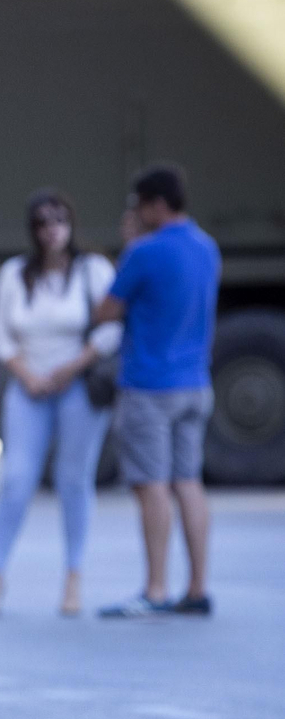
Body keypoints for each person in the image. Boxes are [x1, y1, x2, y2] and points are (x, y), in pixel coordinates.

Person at [0, 190, 121, 617]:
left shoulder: (92, 270)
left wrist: (72, 368)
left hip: (77, 383)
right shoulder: (15, 273)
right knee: (17, 481)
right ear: (32, 229)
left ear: (71, 222)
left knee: (73, 480)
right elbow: (2, 337)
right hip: (30, 386)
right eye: (42, 222)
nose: (51, 229)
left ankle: (73, 577)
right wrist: (27, 375)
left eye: (59, 219)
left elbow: (111, 330)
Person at [95, 165, 221, 618]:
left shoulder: (144, 252)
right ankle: (198, 587)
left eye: (138, 206)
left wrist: (128, 246)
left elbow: (105, 312)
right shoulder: (207, 247)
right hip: (195, 383)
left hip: (149, 384)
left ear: (155, 205)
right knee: (188, 482)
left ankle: (155, 587)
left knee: (152, 488)